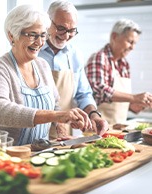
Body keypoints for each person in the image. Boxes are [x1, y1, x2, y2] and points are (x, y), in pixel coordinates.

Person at [0, 4, 93, 146]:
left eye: (43, 35)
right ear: (12, 35)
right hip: (4, 153)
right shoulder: (0, 66)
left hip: (37, 150)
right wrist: (58, 116)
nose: (40, 42)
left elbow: (54, 105)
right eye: (32, 35)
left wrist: (62, 133)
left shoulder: (42, 66)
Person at [38, 0, 108, 139]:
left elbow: (83, 94)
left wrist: (94, 115)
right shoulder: (33, 50)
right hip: (34, 131)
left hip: (64, 133)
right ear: (47, 21)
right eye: (61, 28)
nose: (65, 35)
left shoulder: (75, 55)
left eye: (71, 30)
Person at [85, 18, 152, 125]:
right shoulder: (99, 58)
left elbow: (118, 102)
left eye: (135, 43)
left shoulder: (124, 64)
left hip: (117, 129)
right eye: (130, 42)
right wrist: (134, 97)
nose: (132, 47)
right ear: (114, 37)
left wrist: (135, 105)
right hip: (96, 128)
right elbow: (98, 89)